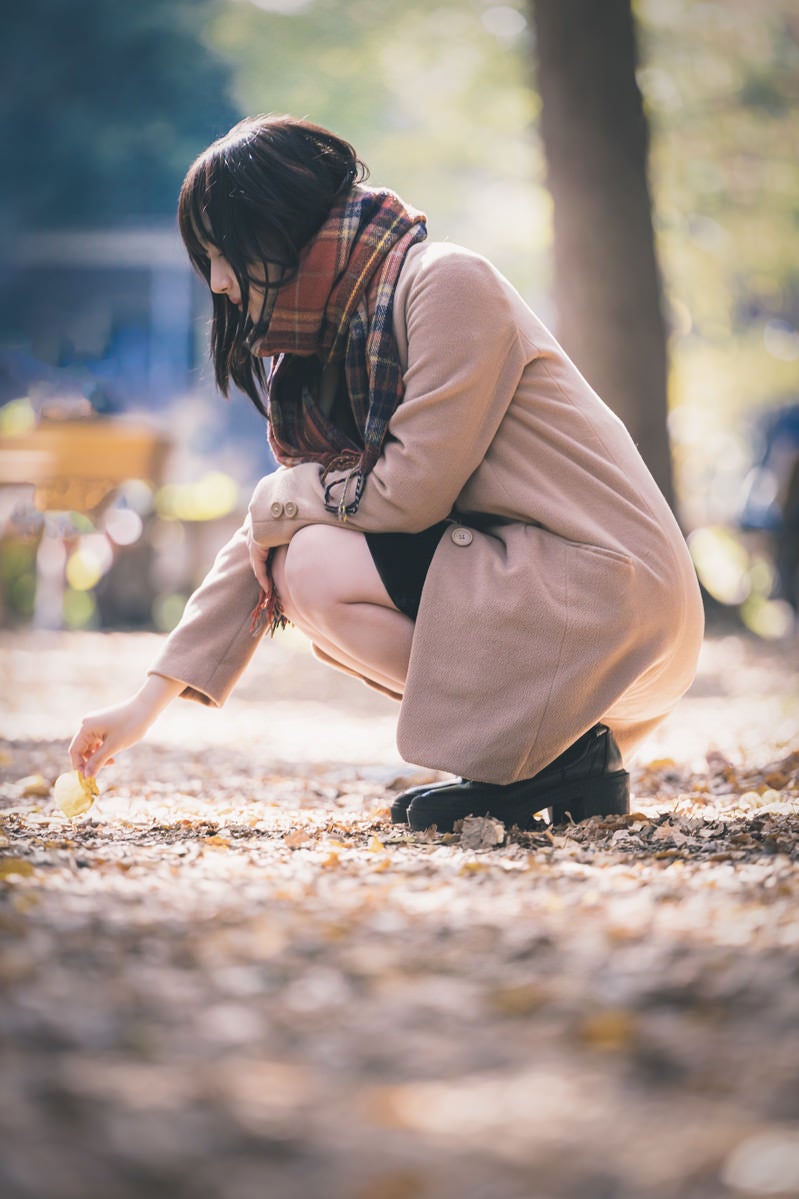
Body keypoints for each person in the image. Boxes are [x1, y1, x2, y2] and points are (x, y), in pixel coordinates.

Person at [69, 114, 705, 833]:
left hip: (605, 597)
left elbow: (410, 493)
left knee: (310, 560)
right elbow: (268, 535)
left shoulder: (446, 285)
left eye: (227, 253)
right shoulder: (335, 342)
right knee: (298, 555)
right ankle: (552, 757)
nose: (218, 283)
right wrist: (145, 703)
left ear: (285, 228)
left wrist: (284, 496)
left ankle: (545, 755)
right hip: (548, 593)